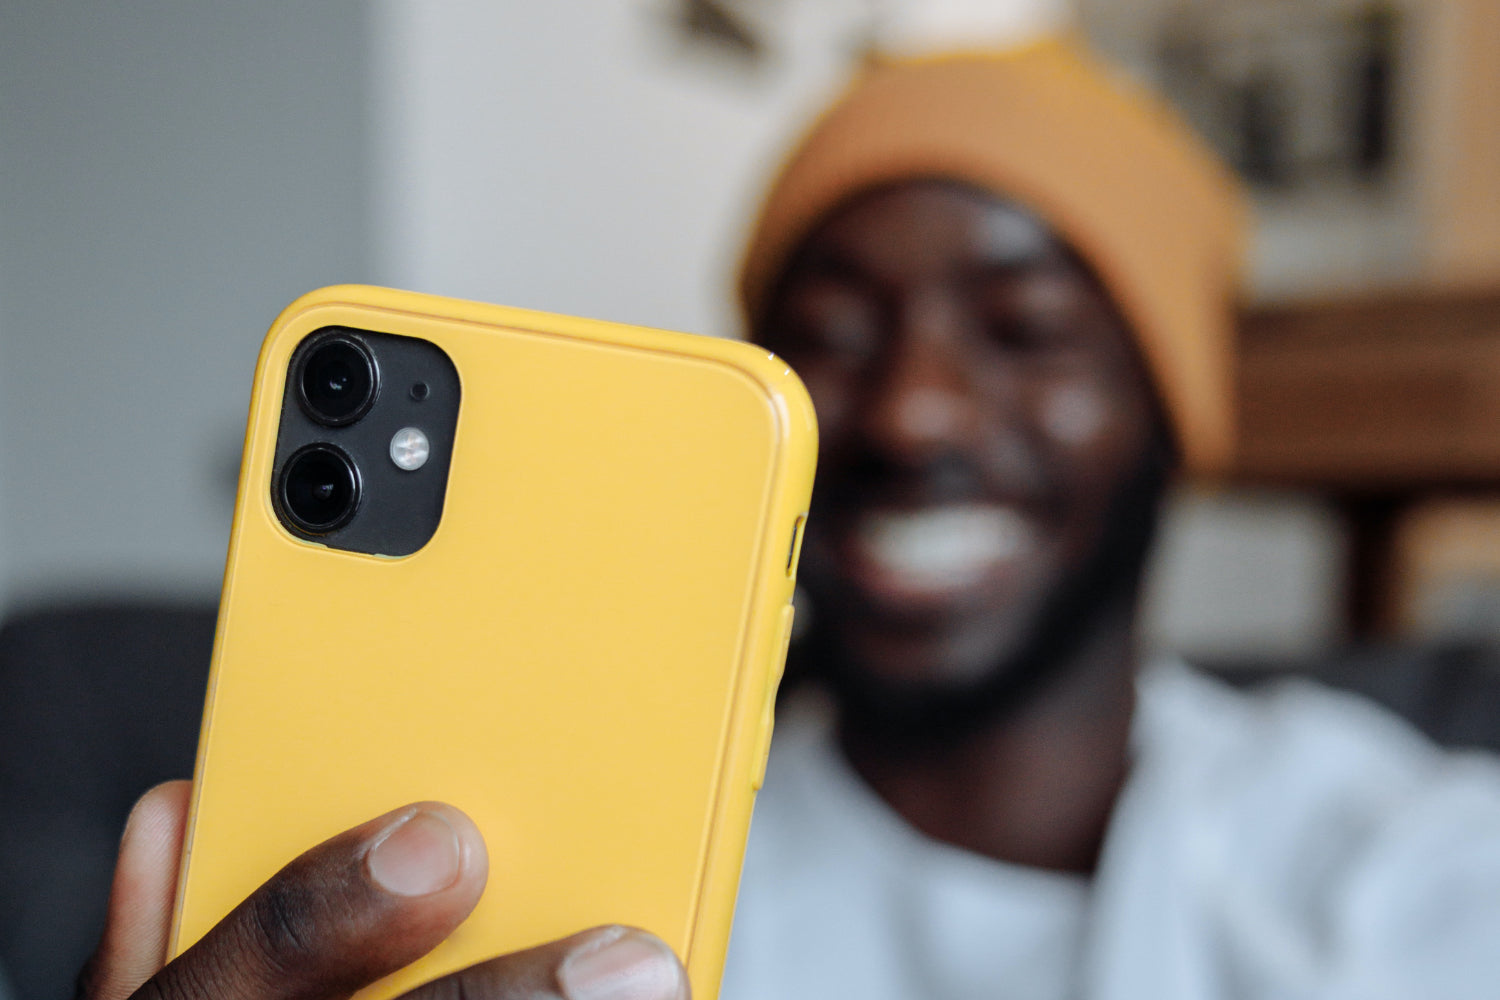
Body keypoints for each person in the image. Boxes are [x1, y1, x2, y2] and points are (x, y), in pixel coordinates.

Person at [719, 38, 1500, 1000]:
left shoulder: (1400, 878)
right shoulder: (631, 865)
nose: (911, 414)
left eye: (1027, 330)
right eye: (834, 335)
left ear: (1174, 414)